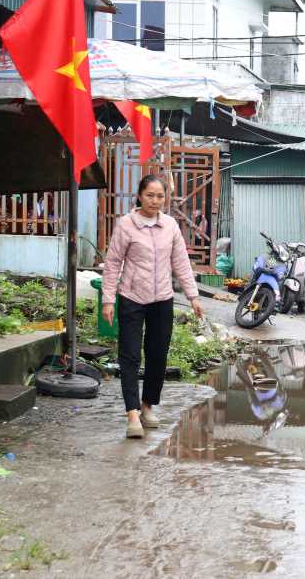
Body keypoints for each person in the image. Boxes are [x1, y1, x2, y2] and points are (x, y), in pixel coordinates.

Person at [102, 175, 204, 439]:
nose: (155, 201)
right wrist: (108, 299)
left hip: (162, 299)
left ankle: (147, 406)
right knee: (130, 355)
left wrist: (193, 296)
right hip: (131, 298)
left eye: (160, 196)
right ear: (139, 196)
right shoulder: (126, 225)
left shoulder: (170, 225)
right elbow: (113, 263)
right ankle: (132, 414)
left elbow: (181, 262)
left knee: (158, 355)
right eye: (150, 195)